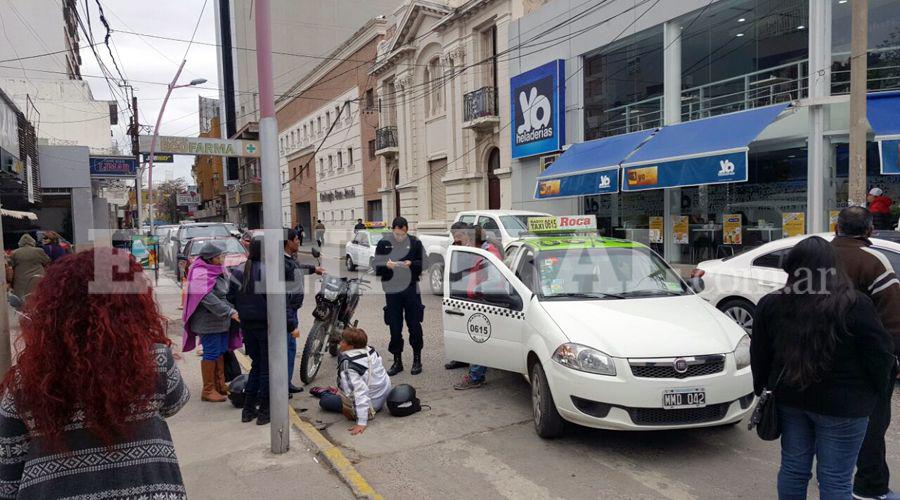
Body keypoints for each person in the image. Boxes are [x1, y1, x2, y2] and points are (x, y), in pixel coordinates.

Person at [0, 248, 189, 499]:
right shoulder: (154, 361)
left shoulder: (25, 380)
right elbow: (174, 404)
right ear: (132, 303)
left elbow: (8, 473)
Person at [751, 236, 896, 500]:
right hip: (845, 406)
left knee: (794, 470)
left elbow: (760, 355)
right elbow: (880, 354)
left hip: (792, 401)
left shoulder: (772, 304)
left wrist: (762, 389)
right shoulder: (855, 304)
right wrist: (875, 394)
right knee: (836, 479)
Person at [831, 206, 900, 500]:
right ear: (870, 230)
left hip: (819, 357)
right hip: (864, 361)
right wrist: (893, 360)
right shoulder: (874, 261)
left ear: (837, 227)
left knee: (828, 422)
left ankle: (833, 480)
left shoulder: (818, 257)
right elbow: (893, 319)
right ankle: (869, 488)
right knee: (872, 424)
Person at [229, 231, 323, 424]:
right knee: (267, 369)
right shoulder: (270, 271)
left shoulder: (239, 270)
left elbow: (230, 298)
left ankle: (248, 411)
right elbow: (280, 304)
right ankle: (265, 412)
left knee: (257, 367)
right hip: (267, 327)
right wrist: (291, 326)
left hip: (248, 327)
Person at [182, 242, 241, 403]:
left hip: (220, 320)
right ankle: (208, 390)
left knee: (221, 350)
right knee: (211, 352)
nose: (223, 259)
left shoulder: (217, 268)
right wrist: (230, 311)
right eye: (220, 256)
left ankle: (220, 384)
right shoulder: (199, 272)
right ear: (210, 258)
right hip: (208, 321)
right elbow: (207, 298)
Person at [453, 224, 504, 390]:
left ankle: (476, 377)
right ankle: (479, 371)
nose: (465, 241)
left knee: (478, 339)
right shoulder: (481, 250)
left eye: (467, 238)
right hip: (478, 300)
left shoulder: (489, 253)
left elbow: (496, 279)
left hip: (484, 301)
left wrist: (476, 289)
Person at [374, 216, 425, 375]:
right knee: (394, 327)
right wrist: (386, 265)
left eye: (402, 234)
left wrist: (412, 264)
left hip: (410, 289)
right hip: (392, 290)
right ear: (392, 231)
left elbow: (424, 262)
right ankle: (397, 361)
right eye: (397, 234)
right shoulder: (384, 244)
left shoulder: (415, 243)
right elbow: (376, 265)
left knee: (414, 325)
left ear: (407, 230)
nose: (399, 237)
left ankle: (417, 359)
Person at [318, 327, 391, 435]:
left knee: (324, 401)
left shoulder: (349, 365)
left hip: (372, 404)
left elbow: (359, 393)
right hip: (383, 395)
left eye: (343, 341)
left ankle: (325, 393)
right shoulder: (371, 351)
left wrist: (361, 422)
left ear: (351, 346)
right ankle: (334, 392)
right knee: (346, 388)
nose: (340, 343)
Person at [9, 234, 49, 301]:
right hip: (36, 280)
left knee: (21, 302)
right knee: (37, 300)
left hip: (20, 283)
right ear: (32, 242)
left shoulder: (14, 253)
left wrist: (10, 282)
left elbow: (11, 267)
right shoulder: (39, 251)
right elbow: (47, 261)